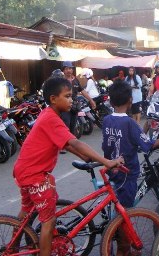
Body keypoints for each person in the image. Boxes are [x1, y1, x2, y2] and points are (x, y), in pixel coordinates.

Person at [13, 76, 124, 256]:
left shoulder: (48, 114)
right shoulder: (52, 119)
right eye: (67, 96)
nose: (71, 100)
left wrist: (83, 157)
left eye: (71, 96)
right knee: (48, 221)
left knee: (26, 212)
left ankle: (13, 245)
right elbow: (75, 142)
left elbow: (64, 143)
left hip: (24, 171)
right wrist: (107, 162)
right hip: (35, 175)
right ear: (53, 99)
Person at [102, 80, 159, 254]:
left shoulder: (107, 120)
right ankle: (123, 250)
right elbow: (149, 145)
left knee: (120, 210)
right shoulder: (130, 123)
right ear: (130, 101)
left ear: (111, 102)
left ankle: (121, 245)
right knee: (124, 217)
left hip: (113, 171)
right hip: (127, 174)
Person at [61, 61, 96, 135]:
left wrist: (91, 100)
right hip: (64, 107)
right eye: (66, 69)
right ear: (63, 70)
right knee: (66, 124)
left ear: (72, 70)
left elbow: (82, 91)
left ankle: (71, 143)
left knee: (73, 126)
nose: (68, 70)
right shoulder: (61, 81)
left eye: (70, 68)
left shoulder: (75, 80)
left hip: (74, 106)